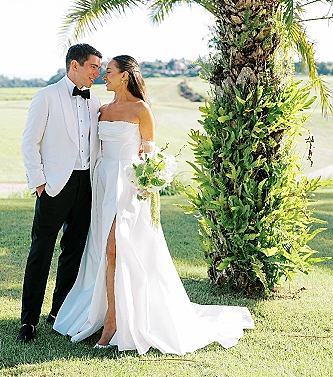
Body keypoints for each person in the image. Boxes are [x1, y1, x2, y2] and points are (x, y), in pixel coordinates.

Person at [54, 55, 254, 354]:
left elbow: (151, 153)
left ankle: (113, 321)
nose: (102, 76)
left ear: (124, 76)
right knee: (104, 250)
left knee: (114, 247)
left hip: (130, 186)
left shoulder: (141, 109)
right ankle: (108, 312)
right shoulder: (103, 109)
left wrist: (150, 181)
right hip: (104, 183)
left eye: (108, 72)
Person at [16, 43, 102, 343]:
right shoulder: (46, 96)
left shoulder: (95, 101)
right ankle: (28, 322)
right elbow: (30, 143)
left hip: (85, 186)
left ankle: (59, 312)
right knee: (41, 251)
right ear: (74, 65)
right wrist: (39, 182)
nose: (98, 72)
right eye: (93, 66)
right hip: (54, 186)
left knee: (74, 252)